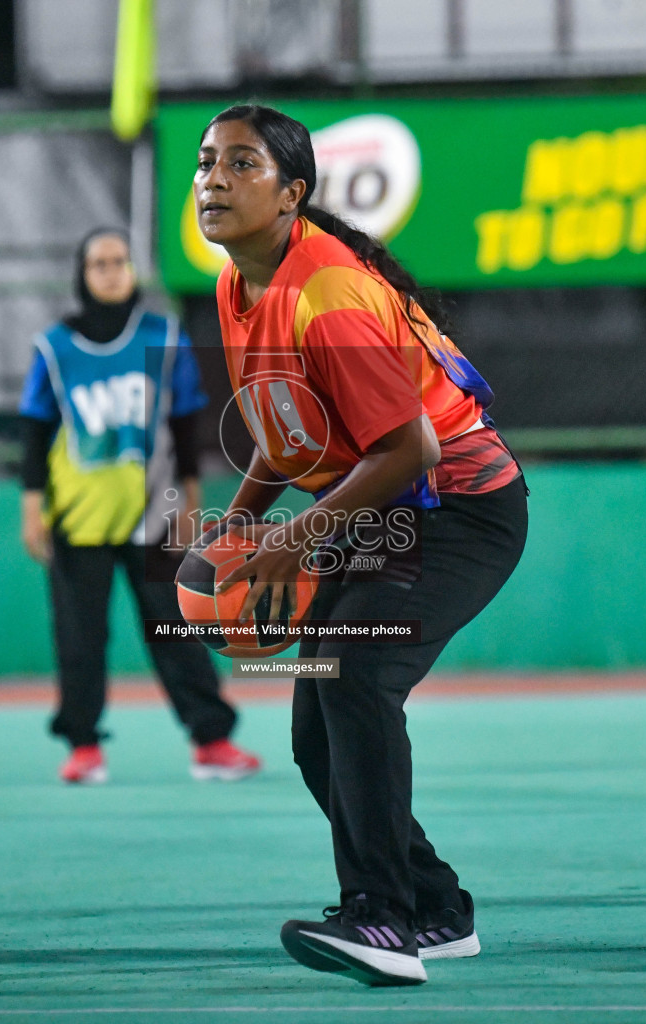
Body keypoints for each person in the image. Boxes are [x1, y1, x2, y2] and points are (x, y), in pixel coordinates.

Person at [194, 104, 528, 986]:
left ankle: (381, 920)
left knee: (355, 678)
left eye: (241, 165)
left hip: (458, 507)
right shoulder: (238, 285)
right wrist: (240, 521)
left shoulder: (331, 293)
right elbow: (287, 425)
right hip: (373, 509)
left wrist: (289, 544)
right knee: (316, 734)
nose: (214, 180)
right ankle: (436, 907)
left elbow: (410, 450)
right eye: (206, 163)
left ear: (292, 193)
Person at [19, 227, 263, 785]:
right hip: (79, 519)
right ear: (82, 274)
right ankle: (83, 746)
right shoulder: (54, 348)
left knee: (177, 629)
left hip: (156, 511)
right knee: (79, 637)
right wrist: (33, 507)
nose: (111, 271)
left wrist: (191, 494)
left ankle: (212, 740)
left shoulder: (164, 337)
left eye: (120, 261)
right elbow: (34, 432)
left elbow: (184, 421)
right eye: (99, 262)